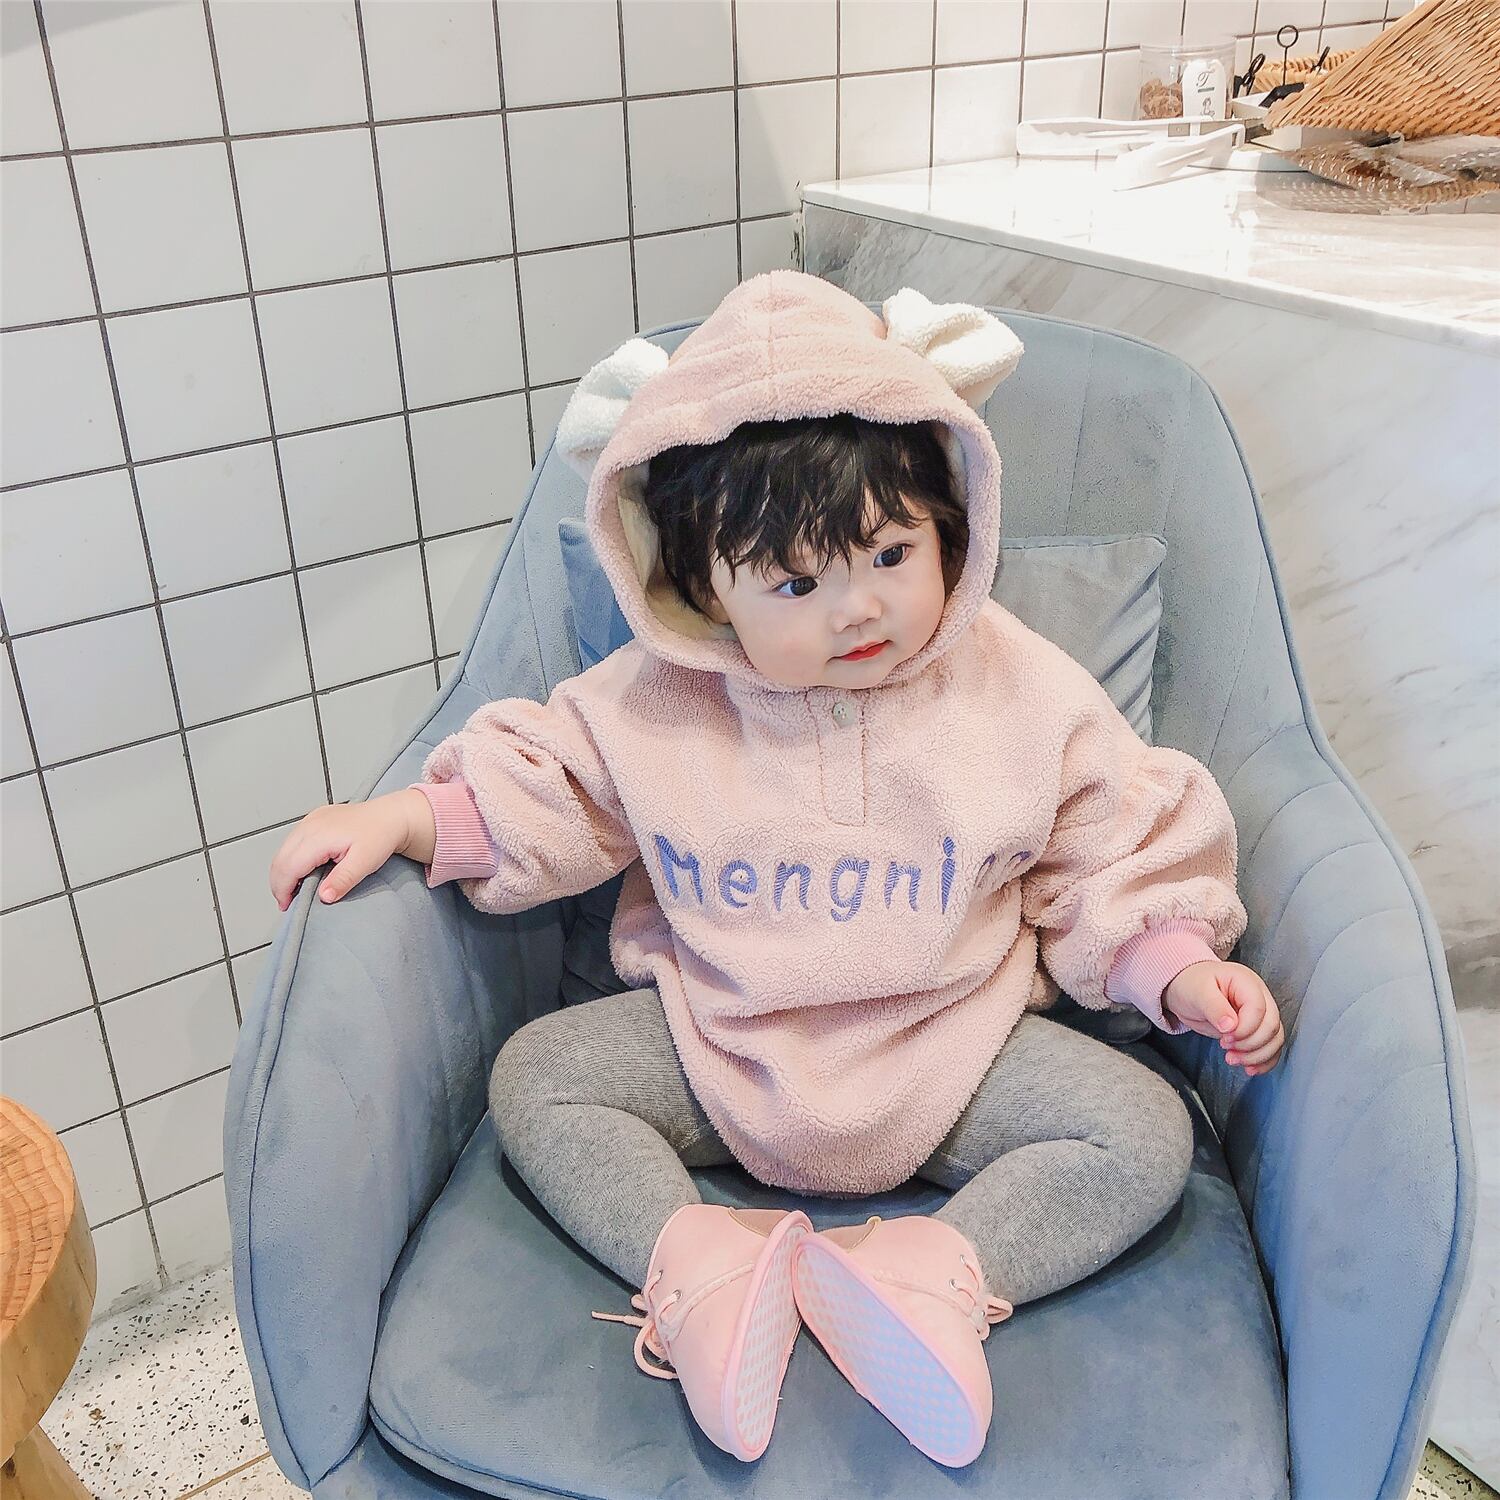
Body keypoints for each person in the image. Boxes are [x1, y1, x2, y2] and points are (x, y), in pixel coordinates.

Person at [268, 270, 1285, 1470]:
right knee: (537, 1077)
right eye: (797, 583)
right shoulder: (659, 700)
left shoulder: (1018, 687)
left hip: (954, 1048)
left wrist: (1175, 968)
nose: (858, 608)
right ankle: (701, 1265)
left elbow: (1109, 835)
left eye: (893, 553)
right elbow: (552, 786)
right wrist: (409, 818)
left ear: (952, 527)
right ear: (706, 590)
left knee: (1141, 1133)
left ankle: (928, 1277)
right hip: (722, 1045)